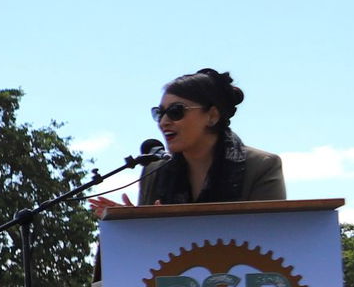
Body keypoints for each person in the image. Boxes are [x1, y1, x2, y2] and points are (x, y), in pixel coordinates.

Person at [90, 68, 285, 213]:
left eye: (176, 112)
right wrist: (137, 227)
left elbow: (271, 239)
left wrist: (172, 227)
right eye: (159, 113)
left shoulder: (262, 167)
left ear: (212, 116)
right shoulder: (153, 171)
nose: (164, 122)